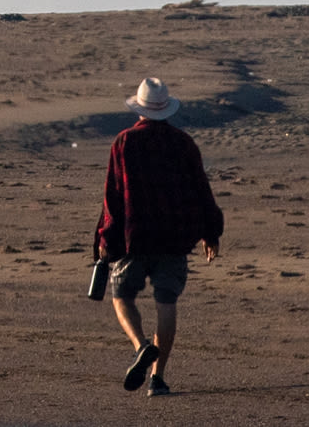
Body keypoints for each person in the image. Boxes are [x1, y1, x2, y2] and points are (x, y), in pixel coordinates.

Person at [94, 77, 223, 398]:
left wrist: (105, 240)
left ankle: (140, 345)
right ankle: (158, 379)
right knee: (166, 302)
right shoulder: (183, 143)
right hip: (175, 238)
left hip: (133, 237)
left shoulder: (123, 142)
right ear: (167, 109)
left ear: (139, 109)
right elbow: (200, 190)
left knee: (122, 296)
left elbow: (113, 196)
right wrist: (211, 232)